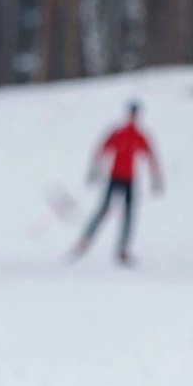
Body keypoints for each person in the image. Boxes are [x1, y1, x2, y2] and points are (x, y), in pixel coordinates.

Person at [74, 100, 163, 264]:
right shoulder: (118, 133)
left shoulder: (139, 135)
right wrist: (94, 169)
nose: (133, 116)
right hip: (115, 177)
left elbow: (151, 156)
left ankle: (123, 249)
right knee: (103, 210)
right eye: (132, 113)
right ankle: (84, 241)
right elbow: (102, 149)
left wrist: (156, 178)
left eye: (136, 113)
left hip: (130, 180)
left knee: (129, 215)